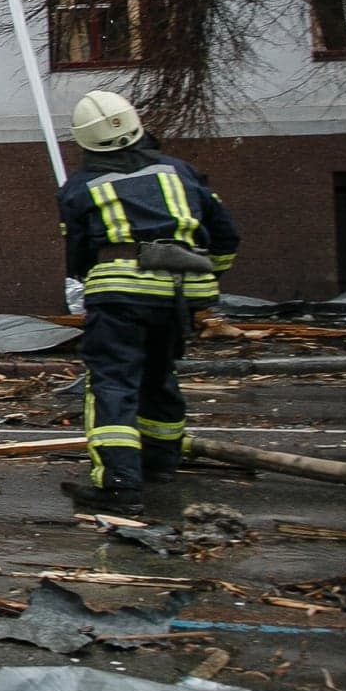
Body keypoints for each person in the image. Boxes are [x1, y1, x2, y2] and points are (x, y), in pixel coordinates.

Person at [57, 89, 241, 512]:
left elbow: (78, 255)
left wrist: (97, 281)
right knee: (159, 372)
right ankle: (160, 462)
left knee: (112, 380)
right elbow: (226, 233)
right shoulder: (180, 172)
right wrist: (209, 274)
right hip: (181, 291)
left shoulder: (81, 187)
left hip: (120, 292)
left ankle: (119, 485)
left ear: (84, 142)